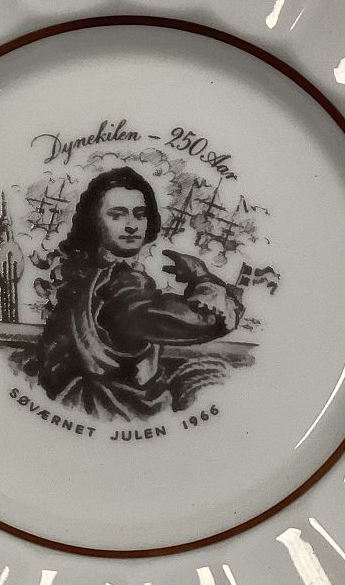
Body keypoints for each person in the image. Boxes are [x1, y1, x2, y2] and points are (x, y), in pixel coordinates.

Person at [34, 166, 243, 420]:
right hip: (115, 410)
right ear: (94, 223)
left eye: (140, 215)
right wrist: (202, 278)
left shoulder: (85, 275)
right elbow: (205, 321)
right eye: (117, 215)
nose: (132, 225)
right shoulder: (120, 284)